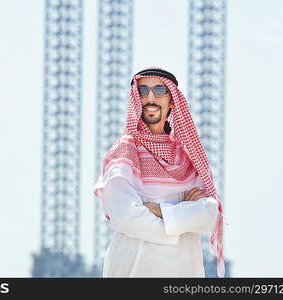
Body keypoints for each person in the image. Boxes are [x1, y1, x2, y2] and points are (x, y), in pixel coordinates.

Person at [93, 67, 227, 277]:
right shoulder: (124, 152)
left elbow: (211, 215)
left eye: (159, 90)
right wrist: (184, 215)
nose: (151, 97)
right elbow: (126, 218)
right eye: (143, 90)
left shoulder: (189, 156)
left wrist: (158, 211)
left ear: (172, 101)